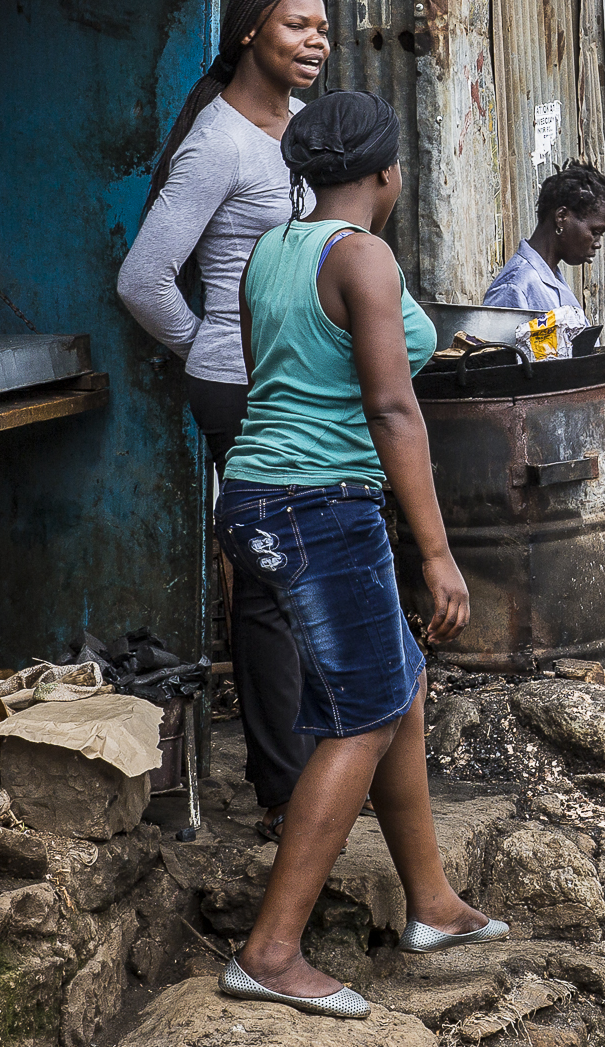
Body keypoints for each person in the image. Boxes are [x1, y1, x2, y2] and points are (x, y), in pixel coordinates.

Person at [213, 92, 499, 1017]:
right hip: (319, 505)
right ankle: (269, 953)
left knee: (396, 682)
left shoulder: (270, 250)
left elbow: (270, 375)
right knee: (365, 715)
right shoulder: (363, 256)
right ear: (386, 172)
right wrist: (437, 553)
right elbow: (390, 407)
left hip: (254, 491)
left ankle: (433, 905)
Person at [116, 0, 323, 841]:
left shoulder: (302, 128)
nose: (316, 41)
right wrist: (210, 343)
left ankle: (314, 766)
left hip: (297, 382)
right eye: (297, 26)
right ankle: (283, 790)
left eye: (321, 28)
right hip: (241, 386)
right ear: (248, 33)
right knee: (270, 584)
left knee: (307, 571)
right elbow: (142, 279)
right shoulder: (219, 144)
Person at [482, 162, 605, 335]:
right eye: (595, 232)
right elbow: (494, 351)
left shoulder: (555, 284)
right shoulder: (514, 286)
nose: (597, 243)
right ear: (561, 217)